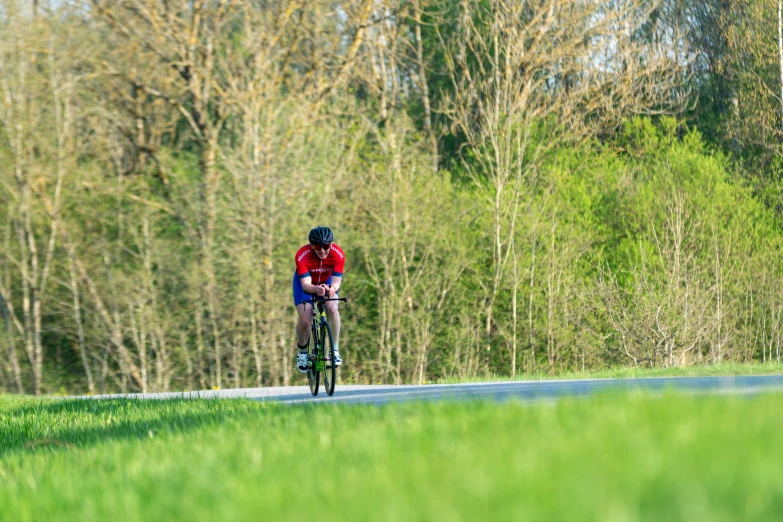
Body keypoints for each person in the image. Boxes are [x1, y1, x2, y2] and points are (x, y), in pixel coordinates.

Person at [292, 226, 344, 373]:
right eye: (318, 247)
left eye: (326, 246)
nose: (322, 251)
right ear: (311, 246)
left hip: (327, 281)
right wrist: (316, 289)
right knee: (305, 320)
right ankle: (302, 352)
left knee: (332, 308)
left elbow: (336, 282)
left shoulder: (338, 254)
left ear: (331, 244)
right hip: (306, 285)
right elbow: (306, 285)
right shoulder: (302, 255)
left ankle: (334, 350)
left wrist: (332, 289)